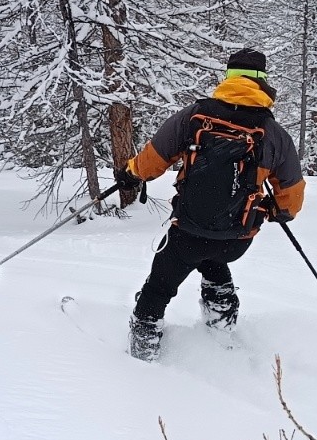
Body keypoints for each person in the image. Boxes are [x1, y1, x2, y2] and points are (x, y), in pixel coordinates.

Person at [112, 49, 306, 361]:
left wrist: (131, 173)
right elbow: (291, 197)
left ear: (228, 77)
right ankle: (221, 322)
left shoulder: (194, 116)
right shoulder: (273, 134)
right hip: (237, 238)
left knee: (160, 285)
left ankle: (143, 347)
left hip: (188, 230)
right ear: (264, 82)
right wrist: (275, 211)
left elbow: (153, 159)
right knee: (214, 257)